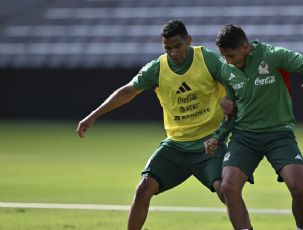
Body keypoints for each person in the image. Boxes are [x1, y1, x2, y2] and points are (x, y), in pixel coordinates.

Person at [76, 20, 232, 230]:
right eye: (168, 48)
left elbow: (234, 82)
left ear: (189, 40)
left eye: (178, 46)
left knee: (227, 191)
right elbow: (127, 92)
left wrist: (230, 103)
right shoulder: (158, 68)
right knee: (143, 189)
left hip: (209, 143)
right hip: (176, 145)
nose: (174, 53)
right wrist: (93, 116)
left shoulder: (207, 59)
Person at [204, 24, 303, 230]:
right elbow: (231, 111)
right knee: (228, 188)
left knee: (298, 187)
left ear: (244, 47)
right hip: (244, 137)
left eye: (230, 55)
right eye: (223, 56)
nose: (227, 61)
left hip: (279, 134)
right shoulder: (227, 70)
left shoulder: (272, 55)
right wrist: (218, 137)